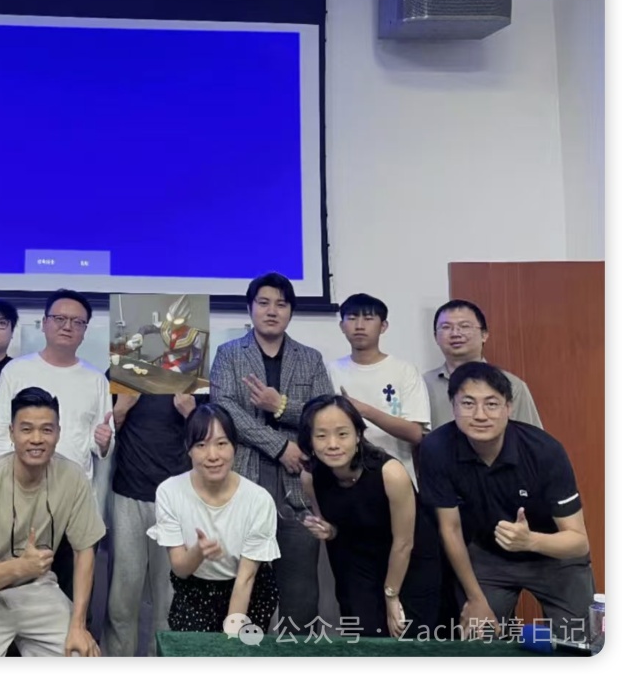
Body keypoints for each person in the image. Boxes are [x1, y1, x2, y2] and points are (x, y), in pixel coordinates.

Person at [419, 362, 593, 641]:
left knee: (578, 642)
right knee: (479, 638)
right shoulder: (437, 448)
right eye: (468, 403)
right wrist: (475, 599)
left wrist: (530, 541)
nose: (480, 415)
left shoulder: (544, 451)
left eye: (492, 404)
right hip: (489, 555)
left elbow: (578, 542)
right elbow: (450, 529)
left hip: (553, 555)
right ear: (453, 406)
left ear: (508, 408)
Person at [0, 387, 106, 657]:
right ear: (11, 433)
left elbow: (84, 550)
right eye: (26, 429)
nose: (36, 439)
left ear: (58, 433)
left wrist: (78, 625)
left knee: (82, 654)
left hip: (33, 589)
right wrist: (20, 567)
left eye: (46, 430)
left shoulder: (73, 478)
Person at [209, 272, 333, 629]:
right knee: (242, 590)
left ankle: (297, 654)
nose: (272, 311)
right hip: (244, 481)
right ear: (250, 308)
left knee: (301, 595)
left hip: (298, 488)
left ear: (291, 311)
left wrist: (280, 406)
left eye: (281, 304)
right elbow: (225, 410)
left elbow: (324, 414)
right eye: (263, 303)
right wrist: (280, 446)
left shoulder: (310, 358)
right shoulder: (229, 355)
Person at [0, 289, 114, 600]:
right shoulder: (16, 371)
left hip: (72, 502)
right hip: (20, 499)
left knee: (70, 591)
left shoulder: (96, 379)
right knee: (18, 592)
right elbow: (0, 434)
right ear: (44, 323)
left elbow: (102, 445)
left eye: (77, 322)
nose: (67, 326)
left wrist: (104, 443)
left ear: (85, 330)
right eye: (59, 318)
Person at [297, 395, 442, 639]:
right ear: (309, 440)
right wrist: (327, 530)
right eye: (321, 436)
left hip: (409, 560)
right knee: (364, 637)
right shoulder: (310, 477)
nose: (333, 444)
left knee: (408, 639)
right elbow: (333, 529)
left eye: (342, 434)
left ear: (358, 435)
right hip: (357, 562)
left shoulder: (390, 473)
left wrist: (391, 595)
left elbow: (404, 542)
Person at [148, 404, 280, 633]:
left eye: (221, 443)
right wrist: (198, 551)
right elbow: (180, 569)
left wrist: (232, 639)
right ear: (188, 448)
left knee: (239, 650)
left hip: (247, 590)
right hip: (195, 591)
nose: (212, 456)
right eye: (201, 445)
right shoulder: (170, 492)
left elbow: (246, 578)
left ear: (234, 447)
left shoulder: (258, 500)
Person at [102, 391, 196, 656]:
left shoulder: (193, 375)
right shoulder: (122, 373)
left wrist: (191, 413)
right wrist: (120, 410)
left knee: (170, 601)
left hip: (177, 497)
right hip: (128, 492)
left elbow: (211, 435)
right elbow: (100, 438)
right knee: (121, 600)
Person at [327, 293, 432, 485]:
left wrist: (363, 410)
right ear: (342, 326)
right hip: (344, 479)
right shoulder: (331, 370)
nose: (359, 326)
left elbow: (416, 434)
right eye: (352, 318)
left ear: (383, 326)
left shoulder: (404, 371)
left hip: (397, 478)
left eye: (368, 318)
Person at [424, 300, 543, 430]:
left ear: (484, 335)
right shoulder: (423, 385)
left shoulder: (512, 385)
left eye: (465, 326)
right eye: (446, 327)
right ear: (435, 337)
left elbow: (530, 437)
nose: (455, 333)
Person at [125, 295, 205, 374]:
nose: (172, 323)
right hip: (164, 366)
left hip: (181, 369)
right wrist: (138, 337)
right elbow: (145, 328)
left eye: (177, 321)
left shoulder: (193, 335)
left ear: (185, 319)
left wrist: (181, 368)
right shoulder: (165, 326)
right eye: (170, 318)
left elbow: (197, 360)